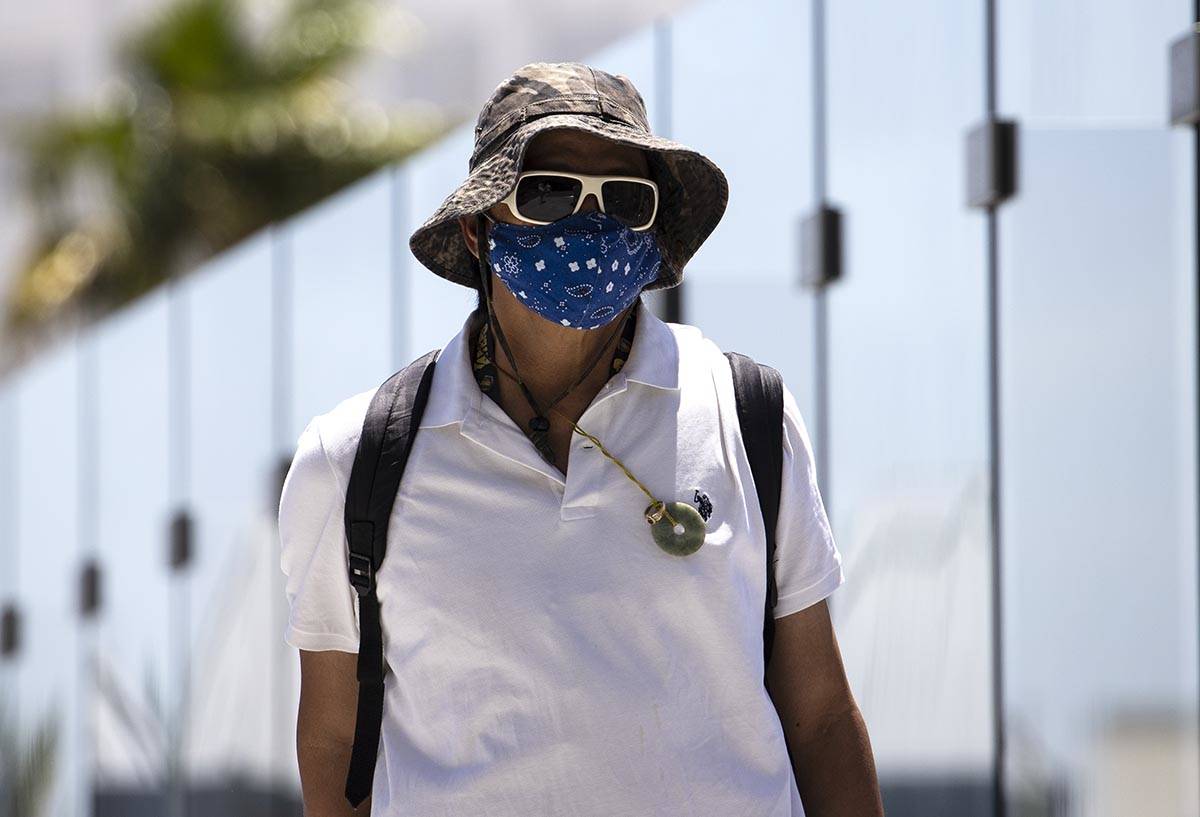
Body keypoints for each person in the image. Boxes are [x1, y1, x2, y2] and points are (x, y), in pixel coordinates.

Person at [279, 61, 883, 816]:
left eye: (625, 200)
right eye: (550, 190)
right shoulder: (352, 459)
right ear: (477, 226)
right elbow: (336, 738)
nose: (589, 224)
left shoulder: (746, 413)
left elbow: (821, 716)